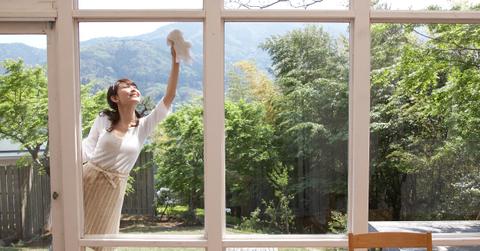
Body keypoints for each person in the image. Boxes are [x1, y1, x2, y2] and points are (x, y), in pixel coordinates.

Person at [81, 46, 179, 251]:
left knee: (102, 246)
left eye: (135, 86)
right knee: (72, 236)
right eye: (126, 87)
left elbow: (168, 97)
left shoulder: (144, 126)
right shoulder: (104, 118)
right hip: (87, 179)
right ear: (115, 98)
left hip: (114, 188)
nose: (133, 88)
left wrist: (176, 61)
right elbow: (87, 147)